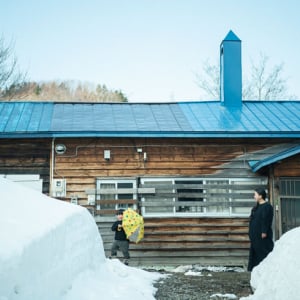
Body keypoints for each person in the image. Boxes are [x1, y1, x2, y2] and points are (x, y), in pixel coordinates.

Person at [247, 188, 274, 271]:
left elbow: (266, 220)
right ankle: (256, 270)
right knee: (255, 252)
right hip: (255, 234)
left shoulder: (267, 207)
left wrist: (264, 231)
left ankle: (267, 269)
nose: (254, 196)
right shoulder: (256, 208)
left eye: (255, 194)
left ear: (260, 196)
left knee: (263, 251)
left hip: (262, 234)